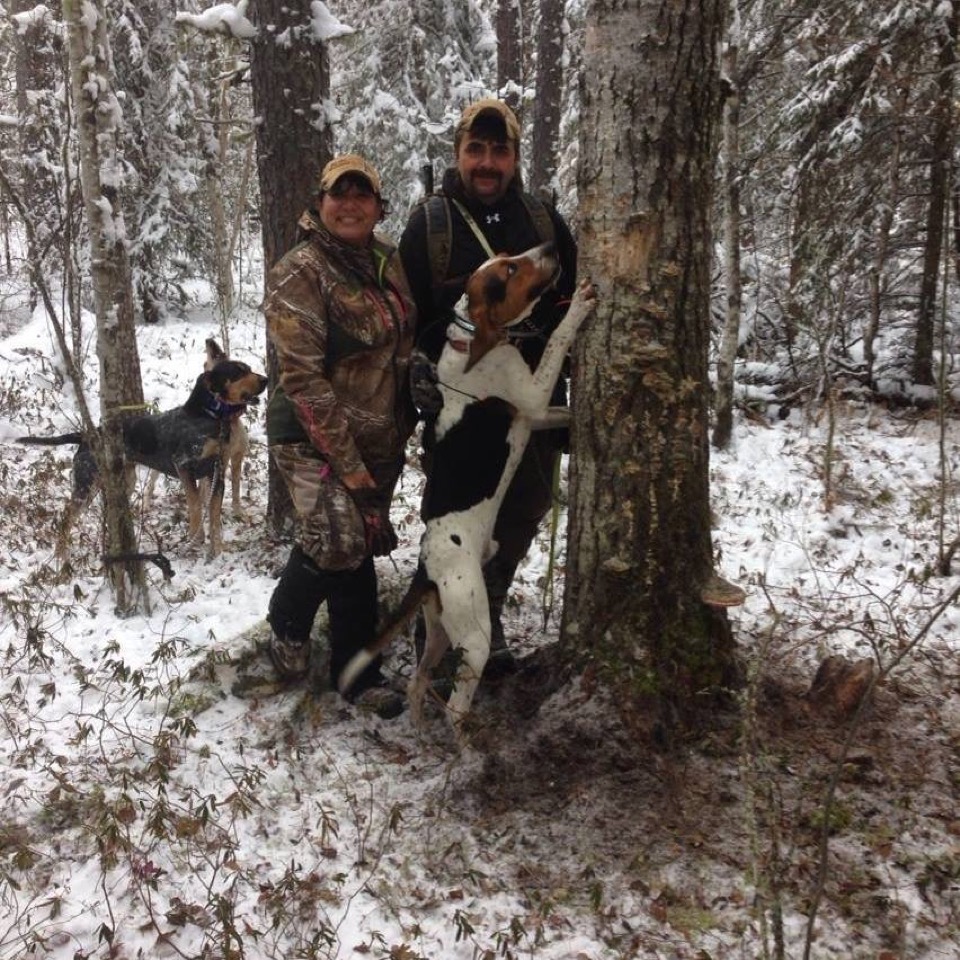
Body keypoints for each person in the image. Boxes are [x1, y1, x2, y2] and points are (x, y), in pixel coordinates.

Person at [399, 98, 578, 670]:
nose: (487, 162)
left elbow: (571, 299)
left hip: (529, 396)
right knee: (453, 516)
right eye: (476, 149)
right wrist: (421, 366)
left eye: (499, 151)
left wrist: (567, 385)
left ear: (515, 157)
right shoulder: (432, 224)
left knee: (526, 507)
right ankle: (433, 622)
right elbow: (406, 316)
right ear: (458, 153)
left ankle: (488, 608)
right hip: (461, 406)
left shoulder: (544, 223)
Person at [264, 154, 418, 717]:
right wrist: (349, 466)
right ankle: (286, 622)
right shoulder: (299, 271)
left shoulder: (386, 260)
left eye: (363, 194)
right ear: (320, 202)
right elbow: (303, 379)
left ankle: (356, 673)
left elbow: (404, 342)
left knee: (359, 544)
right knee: (339, 539)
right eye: (338, 193)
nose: (350, 204)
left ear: (379, 207)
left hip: (378, 433)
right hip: (309, 433)